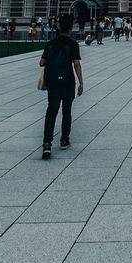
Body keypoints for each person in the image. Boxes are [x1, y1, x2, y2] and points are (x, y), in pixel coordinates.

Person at [39, 14, 84, 159]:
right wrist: (81, 82)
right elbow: (76, 63)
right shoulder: (72, 44)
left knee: (51, 111)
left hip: (52, 81)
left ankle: (47, 143)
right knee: (66, 110)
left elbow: (41, 63)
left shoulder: (51, 43)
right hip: (67, 80)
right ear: (71, 27)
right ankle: (64, 140)